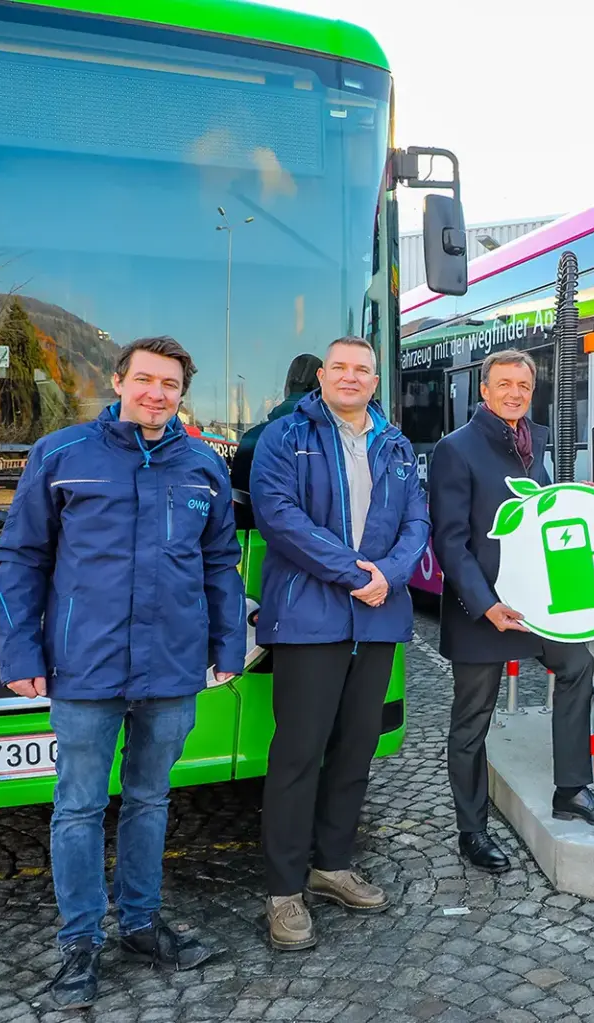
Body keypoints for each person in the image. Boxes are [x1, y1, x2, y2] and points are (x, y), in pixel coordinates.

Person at [0, 336, 245, 1009]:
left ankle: (140, 923)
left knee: (150, 798)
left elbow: (221, 561)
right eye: (144, 380)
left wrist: (229, 643)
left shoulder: (202, 466)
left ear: (182, 395)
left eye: (169, 385)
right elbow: (20, 557)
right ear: (118, 380)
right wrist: (20, 652)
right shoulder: (63, 455)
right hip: (84, 667)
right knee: (78, 805)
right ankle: (80, 944)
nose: (156, 393)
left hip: (171, 666)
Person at [250, 337, 429, 951]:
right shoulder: (284, 437)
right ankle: (283, 891)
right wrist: (358, 574)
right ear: (322, 377)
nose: (351, 378)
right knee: (298, 754)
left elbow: (417, 523)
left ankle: (331, 865)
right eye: (341, 368)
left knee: (356, 748)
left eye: (363, 370)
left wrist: (392, 574)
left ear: (375, 381)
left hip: (377, 618)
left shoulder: (395, 444)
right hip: (310, 617)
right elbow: (278, 516)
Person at [430, 348, 594, 875]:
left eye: (524, 386)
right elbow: (451, 542)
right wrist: (485, 606)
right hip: (483, 609)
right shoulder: (454, 449)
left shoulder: (539, 444)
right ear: (483, 391)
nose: (514, 393)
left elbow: (544, 514)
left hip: (534, 603)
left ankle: (571, 789)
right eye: (504, 384)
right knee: (471, 722)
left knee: (577, 666)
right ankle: (472, 830)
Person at [231, 353, 322, 524]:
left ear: (287, 387)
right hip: (321, 545)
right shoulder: (331, 438)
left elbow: (240, 498)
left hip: (257, 540)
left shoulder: (254, 436)